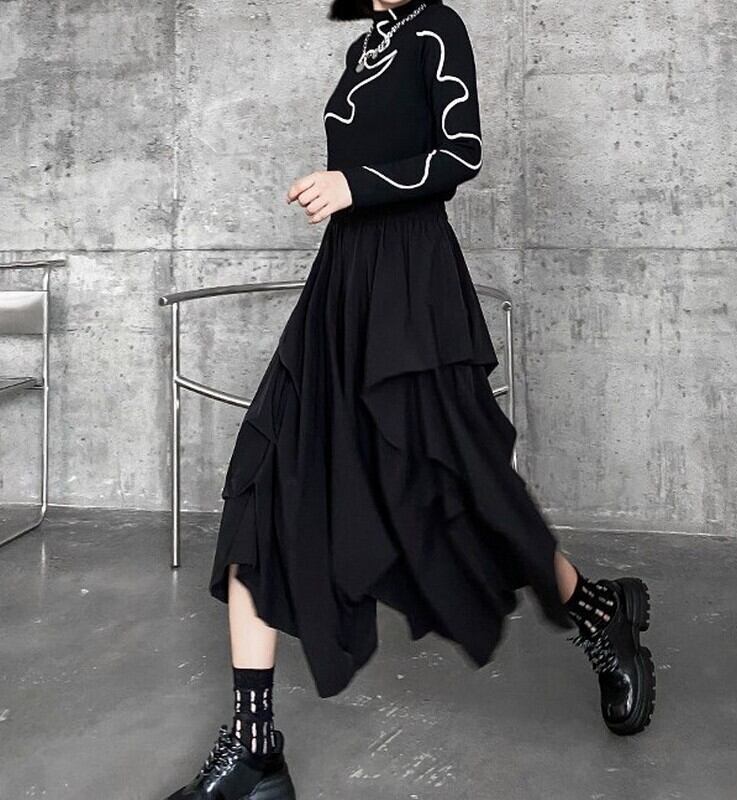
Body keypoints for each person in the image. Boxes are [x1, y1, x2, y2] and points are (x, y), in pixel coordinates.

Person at [163, 1, 655, 797]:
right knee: (268, 477)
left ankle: (601, 614)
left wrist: (352, 184)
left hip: (414, 293)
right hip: (342, 291)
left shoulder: (437, 27)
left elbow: (462, 153)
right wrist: (345, 193)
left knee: (466, 490)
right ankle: (255, 750)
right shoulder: (365, 46)